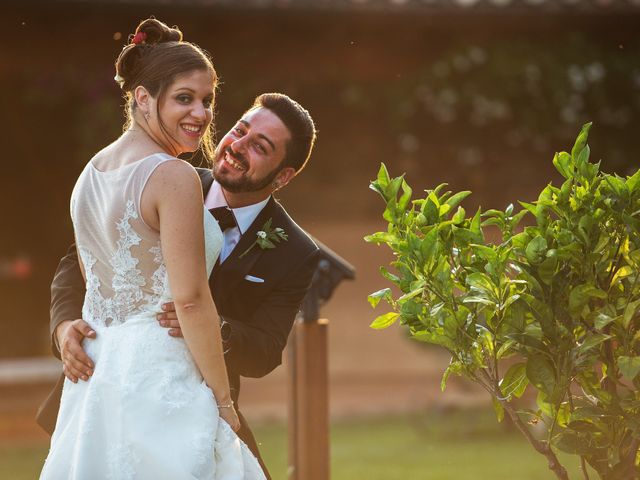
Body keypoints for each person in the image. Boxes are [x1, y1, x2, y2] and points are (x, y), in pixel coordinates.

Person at [38, 50, 319, 480]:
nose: (237, 145)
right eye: (240, 130)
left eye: (259, 147)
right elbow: (77, 262)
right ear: (145, 99)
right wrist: (63, 326)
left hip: (182, 393)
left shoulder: (296, 252)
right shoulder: (171, 177)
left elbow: (263, 351)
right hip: (107, 380)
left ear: (283, 176)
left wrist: (212, 327)